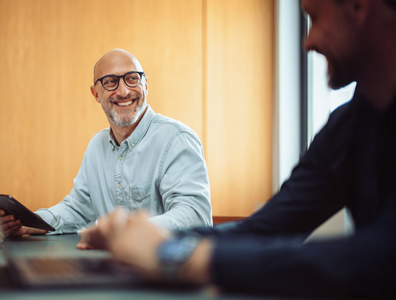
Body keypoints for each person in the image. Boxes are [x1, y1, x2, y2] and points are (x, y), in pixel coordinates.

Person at [78, 0, 396, 298]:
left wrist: (176, 255)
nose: (307, 42)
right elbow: (265, 228)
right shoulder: (348, 127)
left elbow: (379, 257)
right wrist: (138, 239)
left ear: (358, 7)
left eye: (314, 17)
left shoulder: (175, 137)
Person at [0, 49, 212, 237]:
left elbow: (194, 216)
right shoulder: (96, 146)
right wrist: (30, 223)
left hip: (166, 272)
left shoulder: (176, 139)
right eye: (110, 82)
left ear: (145, 84)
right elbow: (78, 209)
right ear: (96, 94)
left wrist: (125, 231)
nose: (124, 91)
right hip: (114, 268)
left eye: (132, 78)